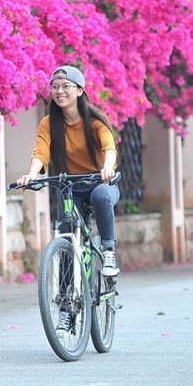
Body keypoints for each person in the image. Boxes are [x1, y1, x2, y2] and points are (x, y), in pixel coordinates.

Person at [16, 65, 121, 287]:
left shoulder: (95, 120)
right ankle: (65, 308)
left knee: (102, 196)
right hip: (70, 187)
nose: (60, 91)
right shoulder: (48, 123)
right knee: (65, 239)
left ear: (80, 90)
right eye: (55, 87)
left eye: (66, 86)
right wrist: (32, 175)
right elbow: (40, 152)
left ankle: (108, 250)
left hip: (99, 182)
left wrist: (108, 168)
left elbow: (109, 147)